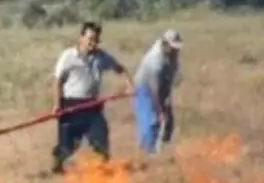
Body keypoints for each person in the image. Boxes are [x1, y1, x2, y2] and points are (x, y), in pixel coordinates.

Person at [51, 21, 133, 173]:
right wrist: (57, 105)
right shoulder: (68, 57)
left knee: (101, 139)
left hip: (92, 106)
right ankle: (58, 164)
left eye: (96, 40)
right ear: (81, 37)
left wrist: (130, 86)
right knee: (68, 146)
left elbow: (120, 69)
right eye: (90, 39)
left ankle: (102, 170)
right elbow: (57, 82)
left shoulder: (101, 57)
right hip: (71, 106)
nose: (93, 43)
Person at [132, 28, 183, 154]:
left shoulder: (172, 55)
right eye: (173, 48)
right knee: (152, 122)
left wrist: (167, 106)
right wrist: (160, 111)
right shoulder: (155, 61)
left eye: (177, 48)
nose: (176, 50)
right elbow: (155, 90)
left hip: (162, 88)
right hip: (145, 89)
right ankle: (148, 154)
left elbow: (170, 80)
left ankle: (158, 150)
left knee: (168, 124)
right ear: (165, 44)